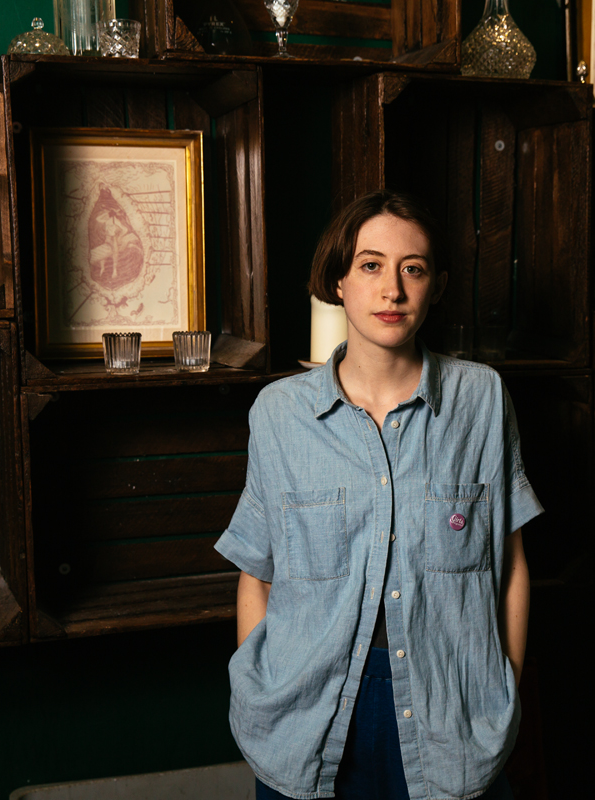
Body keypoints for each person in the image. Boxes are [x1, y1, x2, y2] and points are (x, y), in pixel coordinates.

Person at [215, 191, 543, 800]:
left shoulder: (482, 400)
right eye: (370, 265)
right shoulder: (281, 414)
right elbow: (256, 573)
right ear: (338, 282)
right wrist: (260, 690)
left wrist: (504, 689)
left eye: (412, 269)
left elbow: (510, 563)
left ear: (435, 285)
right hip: (306, 709)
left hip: (452, 704)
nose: (392, 289)